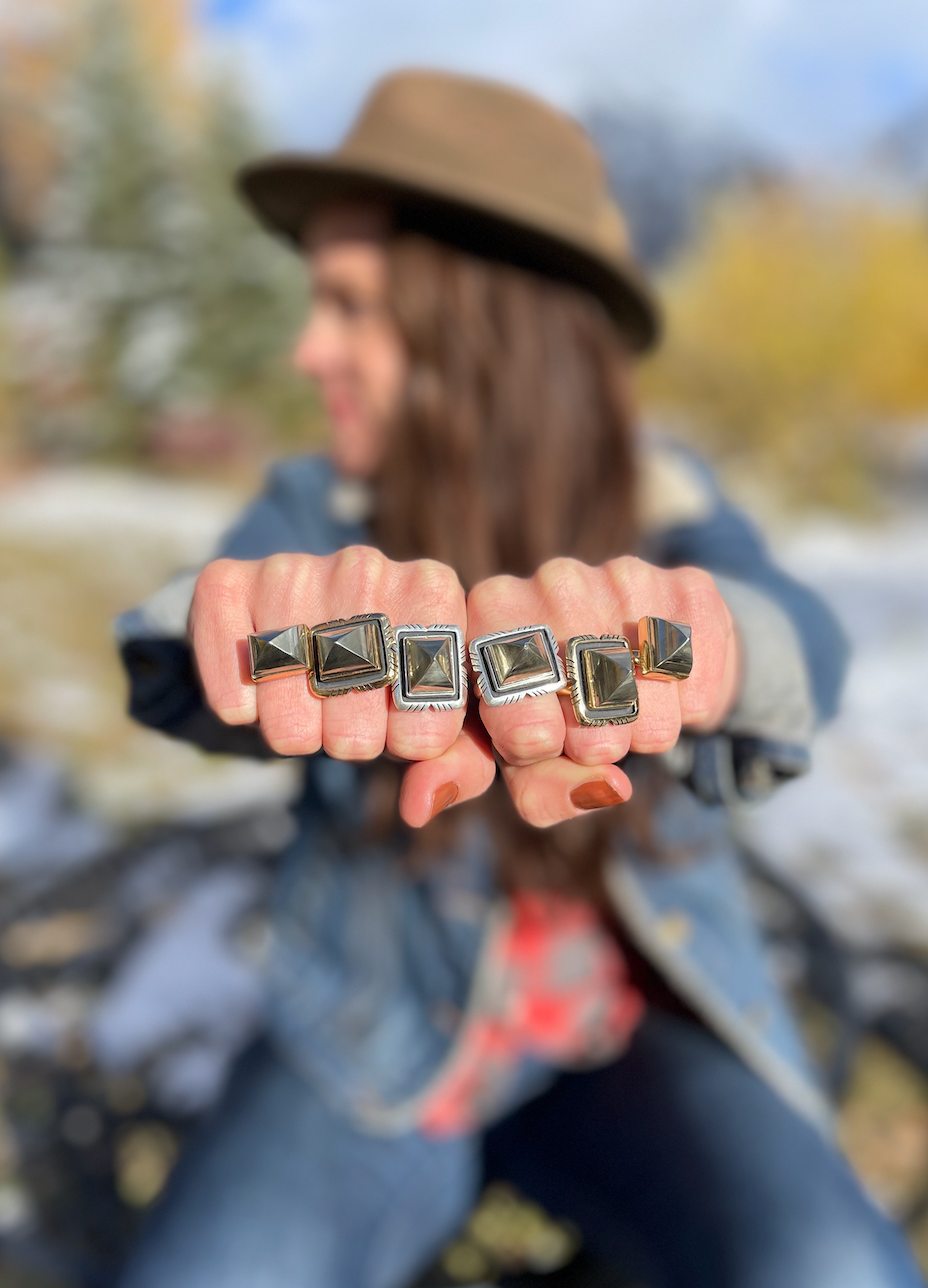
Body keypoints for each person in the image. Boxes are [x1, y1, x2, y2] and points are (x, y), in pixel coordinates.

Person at [113, 70, 923, 1288]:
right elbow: (181, 638)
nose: (306, 347)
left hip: (635, 1025)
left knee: (832, 1270)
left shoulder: (667, 503)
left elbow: (798, 644)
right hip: (370, 1032)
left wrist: (698, 649)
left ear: (472, 322)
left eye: (347, 305)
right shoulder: (314, 509)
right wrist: (241, 633)